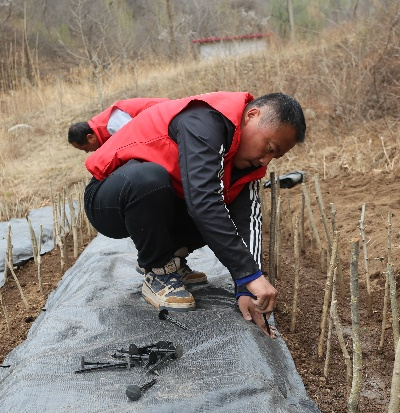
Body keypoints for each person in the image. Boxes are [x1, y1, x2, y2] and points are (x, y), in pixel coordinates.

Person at [83, 91, 306, 337]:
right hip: (110, 200)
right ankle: (158, 271)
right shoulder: (204, 121)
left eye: (275, 157)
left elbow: (248, 220)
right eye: (269, 147)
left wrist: (246, 285)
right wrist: (249, 275)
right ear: (252, 116)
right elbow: (203, 201)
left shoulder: (247, 166)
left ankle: (172, 259)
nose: (266, 160)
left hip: (159, 203)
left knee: (219, 210)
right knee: (153, 181)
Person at [68, 97, 169, 152]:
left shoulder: (113, 124)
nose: (87, 152)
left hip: (169, 116)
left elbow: (140, 144)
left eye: (85, 148)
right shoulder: (103, 128)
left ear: (90, 138)